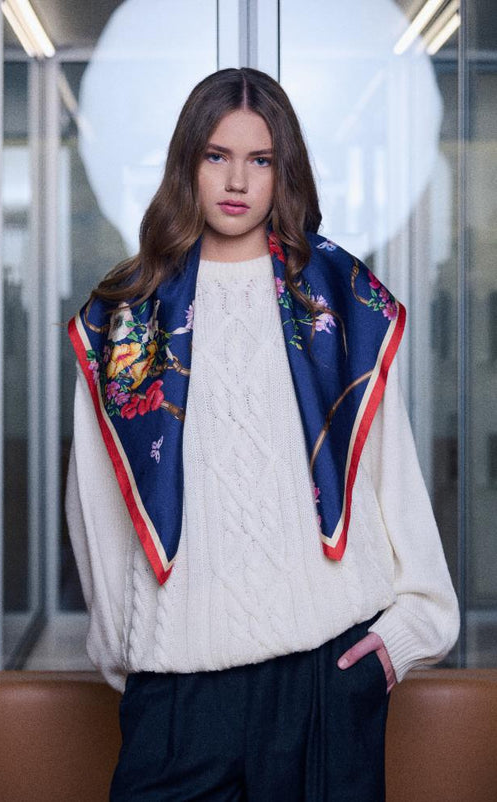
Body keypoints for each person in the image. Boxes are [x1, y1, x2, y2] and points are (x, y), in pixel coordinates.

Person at [65, 67, 459, 801]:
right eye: (216, 155)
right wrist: (132, 653)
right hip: (175, 692)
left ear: (285, 171)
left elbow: (388, 472)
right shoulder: (125, 315)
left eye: (260, 159)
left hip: (325, 679)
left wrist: (407, 634)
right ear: (187, 164)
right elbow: (99, 509)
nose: (236, 180)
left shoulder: (339, 302)